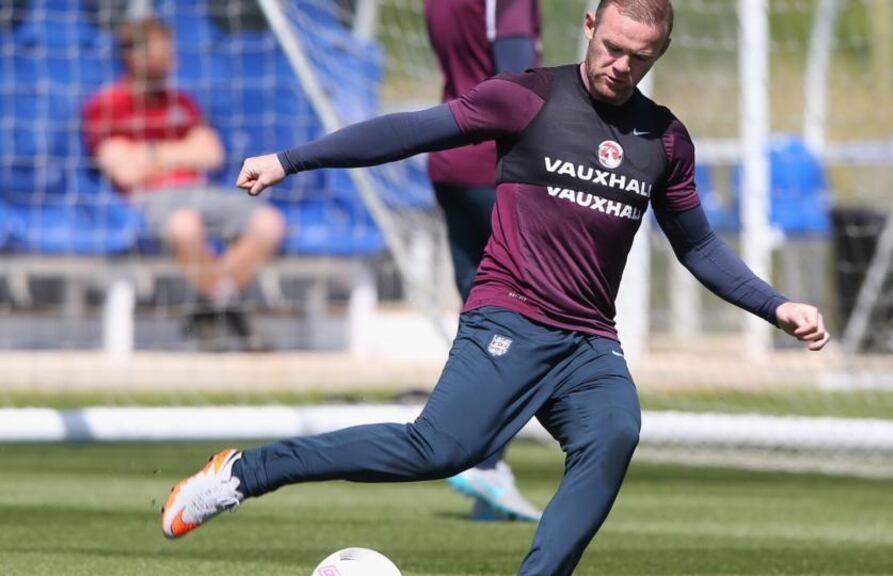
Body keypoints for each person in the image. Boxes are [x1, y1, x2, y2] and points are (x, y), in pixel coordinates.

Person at [161, 2, 830, 573]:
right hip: (510, 317)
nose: (621, 66)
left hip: (589, 341)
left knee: (615, 430)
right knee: (442, 450)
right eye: (612, 48)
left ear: (661, 52)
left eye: (639, 58)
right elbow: (409, 132)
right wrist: (290, 159)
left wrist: (777, 305)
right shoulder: (527, 97)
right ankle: (245, 473)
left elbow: (699, 246)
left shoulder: (664, 138)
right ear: (590, 26)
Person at [82, 17, 285, 352]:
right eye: (164, 51)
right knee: (184, 226)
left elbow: (212, 153)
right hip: (152, 197)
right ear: (136, 56)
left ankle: (212, 306)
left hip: (201, 191)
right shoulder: (107, 104)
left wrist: (149, 154)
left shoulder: (180, 101)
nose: (173, 58)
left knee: (269, 223)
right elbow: (124, 173)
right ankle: (229, 309)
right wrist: (181, 152)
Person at [424, 0, 543, 522]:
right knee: (527, 318)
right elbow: (515, 81)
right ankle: (486, 460)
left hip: (451, 159)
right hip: (494, 166)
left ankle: (484, 480)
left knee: (480, 317)